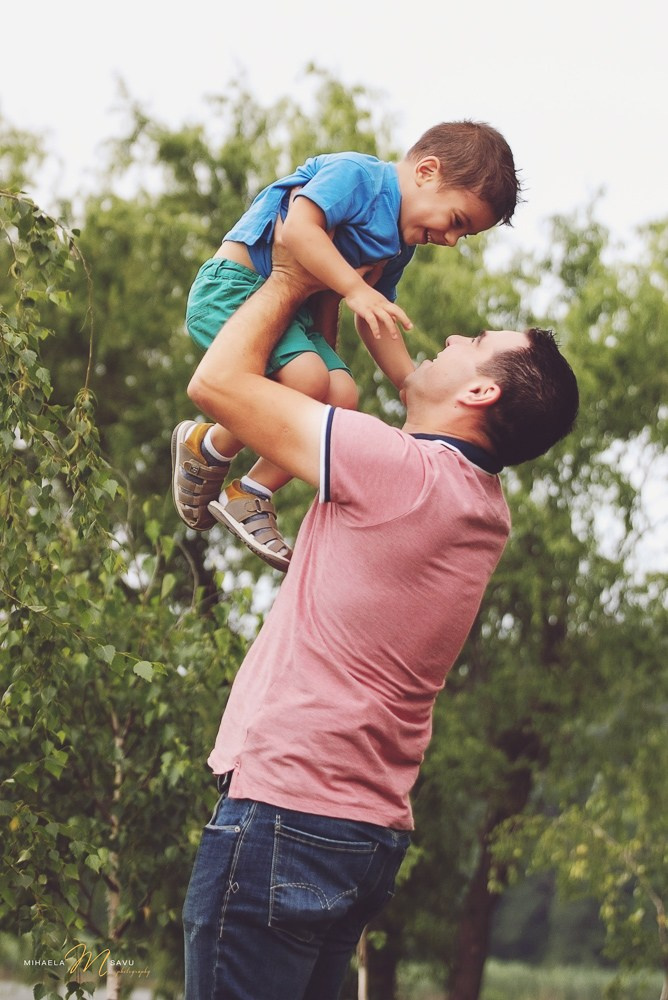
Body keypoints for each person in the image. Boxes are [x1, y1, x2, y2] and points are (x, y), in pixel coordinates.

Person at [179, 227, 579, 1000]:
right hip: (361, 832)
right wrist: (339, 315)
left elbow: (216, 383)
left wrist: (289, 280)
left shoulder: (395, 471)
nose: (456, 335)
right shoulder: (477, 507)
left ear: (481, 393)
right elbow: (408, 417)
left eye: (475, 340)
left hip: (285, 815)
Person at [171, 121, 521, 571]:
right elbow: (298, 231)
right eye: (456, 221)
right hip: (234, 289)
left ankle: (250, 492)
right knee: (309, 380)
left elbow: (375, 317)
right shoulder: (358, 176)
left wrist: (409, 381)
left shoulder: (398, 245)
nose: (451, 241)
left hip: (293, 312)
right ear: (427, 171)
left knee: (343, 397)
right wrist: (353, 289)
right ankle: (210, 445)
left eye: (464, 235)